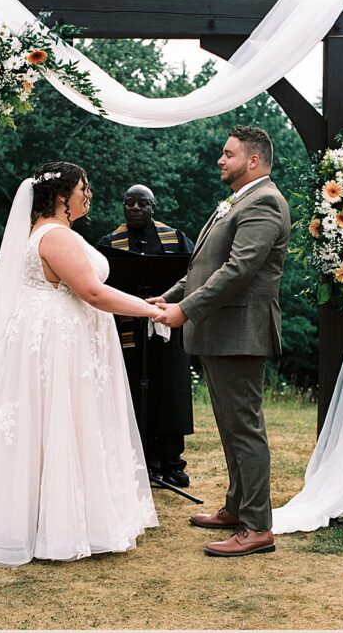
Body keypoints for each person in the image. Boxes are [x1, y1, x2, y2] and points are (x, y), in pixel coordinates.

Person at [0, 162, 161, 572]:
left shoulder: (50, 233)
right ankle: (54, 524)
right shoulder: (55, 236)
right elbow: (92, 292)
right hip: (58, 349)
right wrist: (151, 311)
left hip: (63, 344)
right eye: (83, 187)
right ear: (62, 197)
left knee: (61, 427)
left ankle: (62, 514)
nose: (87, 194)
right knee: (54, 424)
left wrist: (146, 305)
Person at [150, 126, 289, 558]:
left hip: (240, 332)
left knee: (244, 428)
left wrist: (185, 311)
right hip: (221, 331)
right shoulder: (240, 199)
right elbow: (203, 265)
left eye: (227, 155)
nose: (219, 161)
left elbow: (236, 271)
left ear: (253, 160)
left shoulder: (265, 202)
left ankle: (257, 527)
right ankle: (236, 507)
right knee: (230, 426)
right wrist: (169, 297)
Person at [98, 184, 195, 488]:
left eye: (143, 204)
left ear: (154, 207)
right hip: (128, 331)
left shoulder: (176, 239)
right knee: (132, 390)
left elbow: (193, 275)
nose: (136, 208)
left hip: (167, 331)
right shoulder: (109, 244)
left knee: (170, 393)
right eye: (130, 204)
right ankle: (141, 461)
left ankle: (172, 463)